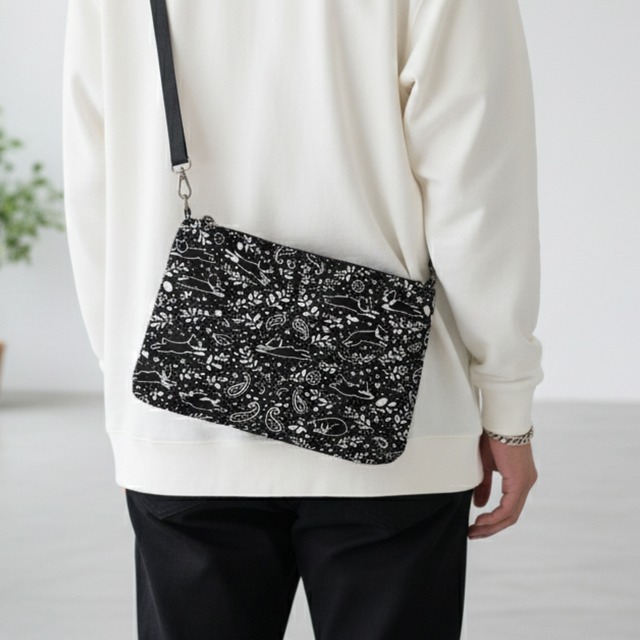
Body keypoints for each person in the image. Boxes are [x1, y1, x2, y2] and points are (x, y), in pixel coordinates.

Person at [62, 0, 543, 638]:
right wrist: (507, 406)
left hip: (182, 406)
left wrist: (128, 381)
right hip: (394, 412)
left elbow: (93, 184)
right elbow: (477, 193)